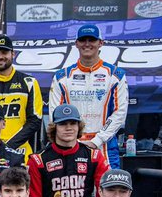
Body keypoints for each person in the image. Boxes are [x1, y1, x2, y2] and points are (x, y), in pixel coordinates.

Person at [48, 24, 129, 168]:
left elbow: (120, 113)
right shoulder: (62, 76)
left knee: (107, 183)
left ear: (100, 43)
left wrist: (97, 140)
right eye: (82, 40)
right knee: (71, 183)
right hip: (70, 146)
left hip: (104, 147)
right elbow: (55, 114)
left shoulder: (115, 75)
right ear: (76, 44)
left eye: (91, 40)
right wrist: (72, 141)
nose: (87, 44)